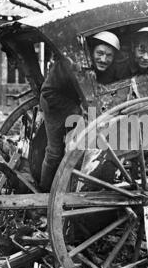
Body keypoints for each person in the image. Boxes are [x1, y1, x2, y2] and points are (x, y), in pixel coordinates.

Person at [39, 31, 120, 192]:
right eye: (100, 53)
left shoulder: (102, 69)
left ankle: (70, 187)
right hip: (54, 104)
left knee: (76, 147)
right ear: (92, 51)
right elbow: (48, 92)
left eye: (109, 55)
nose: (104, 59)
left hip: (77, 107)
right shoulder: (67, 64)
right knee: (54, 151)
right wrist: (76, 110)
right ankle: (44, 193)